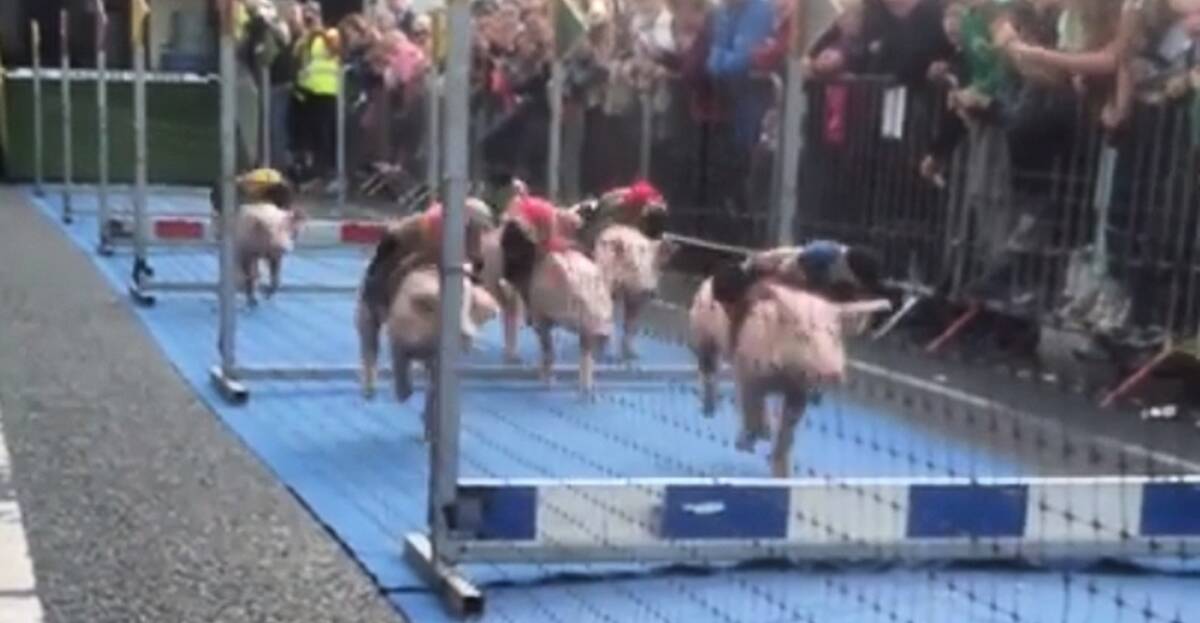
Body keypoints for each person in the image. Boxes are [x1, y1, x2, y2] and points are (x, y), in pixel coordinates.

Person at [292, 1, 342, 189]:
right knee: (308, 134)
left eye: (312, 14)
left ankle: (327, 171)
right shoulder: (306, 38)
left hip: (327, 91)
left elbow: (335, 49)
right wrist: (305, 36)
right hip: (307, 92)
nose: (309, 18)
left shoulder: (331, 33)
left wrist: (318, 31)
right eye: (306, 14)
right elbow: (297, 54)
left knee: (324, 134)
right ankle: (310, 170)